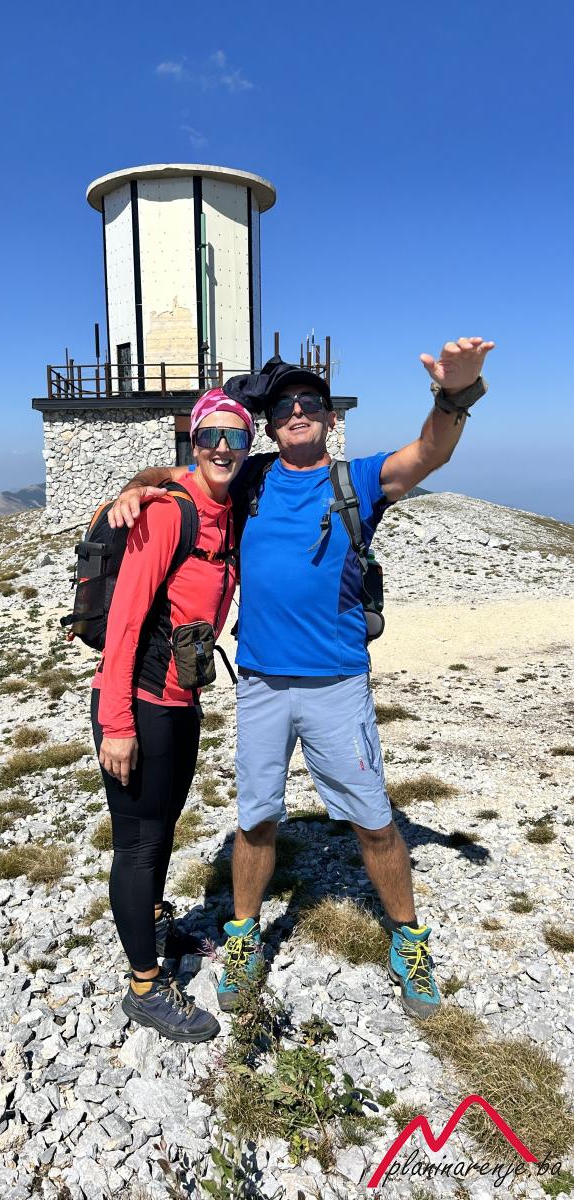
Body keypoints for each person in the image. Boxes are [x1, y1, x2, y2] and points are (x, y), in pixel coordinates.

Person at [108, 337, 495, 1020]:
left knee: (373, 822)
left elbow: (428, 453)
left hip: (336, 683)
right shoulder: (249, 476)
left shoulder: (356, 481)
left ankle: (409, 942)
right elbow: (187, 472)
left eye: (309, 402)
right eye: (284, 404)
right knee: (255, 818)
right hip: (260, 682)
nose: (296, 411)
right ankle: (243, 937)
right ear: (267, 423)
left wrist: (453, 395)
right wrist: (135, 489)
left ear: (329, 417)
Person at [91, 388, 253, 1042]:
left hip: (181, 701)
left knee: (162, 828)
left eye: (235, 437)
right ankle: (144, 987)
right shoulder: (166, 515)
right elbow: (126, 622)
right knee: (138, 842)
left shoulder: (226, 506)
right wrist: (117, 724)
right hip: (140, 703)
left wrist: (145, 477)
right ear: (193, 440)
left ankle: (154, 927)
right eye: (210, 435)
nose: (222, 447)